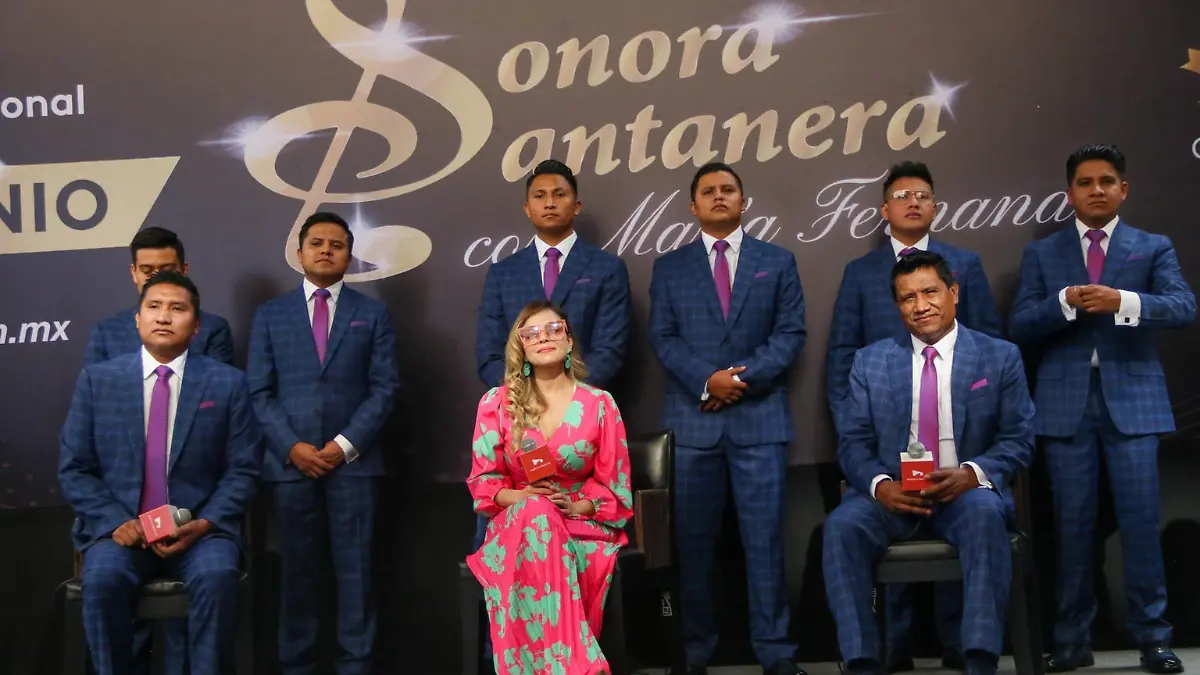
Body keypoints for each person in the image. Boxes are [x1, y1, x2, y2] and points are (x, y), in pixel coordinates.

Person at [1009, 144, 1194, 674]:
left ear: (1123, 190)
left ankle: (1154, 639)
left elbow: (1184, 307)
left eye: (1106, 181)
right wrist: (1063, 304)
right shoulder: (1042, 254)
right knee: (1071, 528)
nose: (1096, 190)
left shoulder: (1152, 246)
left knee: (1140, 524)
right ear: (1069, 193)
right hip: (1064, 405)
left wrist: (1125, 302)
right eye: (1085, 182)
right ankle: (1071, 640)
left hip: (1134, 403)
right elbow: (1019, 324)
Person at [823, 251, 1034, 675]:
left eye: (930, 292)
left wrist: (972, 474)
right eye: (908, 298)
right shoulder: (870, 361)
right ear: (897, 305)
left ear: (953, 292)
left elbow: (1019, 438)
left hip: (965, 494)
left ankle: (979, 660)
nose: (921, 306)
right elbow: (853, 443)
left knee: (985, 515)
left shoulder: (999, 356)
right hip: (894, 495)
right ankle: (862, 662)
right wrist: (880, 485)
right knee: (841, 528)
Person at [826, 161, 1001, 672]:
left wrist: (972, 469)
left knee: (974, 521)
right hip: (886, 445)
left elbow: (990, 348)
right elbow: (842, 355)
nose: (921, 305)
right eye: (902, 195)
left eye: (922, 194)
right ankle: (884, 651)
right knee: (856, 528)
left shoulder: (963, 264)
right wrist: (860, 443)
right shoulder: (860, 273)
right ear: (884, 209)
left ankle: (963, 647)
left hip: (958, 456)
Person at [58, 271, 262, 675]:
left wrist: (205, 523)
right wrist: (116, 522)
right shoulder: (98, 381)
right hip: (121, 533)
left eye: (177, 308)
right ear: (138, 319)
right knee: (103, 581)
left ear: (196, 325)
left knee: (217, 577)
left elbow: (244, 469)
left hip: (200, 531)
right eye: (153, 307)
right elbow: (75, 468)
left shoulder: (228, 384)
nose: (164, 316)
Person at [649, 162, 807, 675]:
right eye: (708, 191)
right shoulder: (669, 268)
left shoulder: (777, 261)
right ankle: (693, 653)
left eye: (728, 189)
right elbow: (663, 338)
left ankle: (776, 655)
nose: (719, 196)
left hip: (760, 423)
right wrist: (706, 380)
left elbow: (789, 335)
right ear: (693, 206)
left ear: (743, 201)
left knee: (766, 545)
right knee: (691, 548)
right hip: (692, 426)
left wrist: (736, 381)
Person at [247, 212, 399, 675]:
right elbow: (258, 392)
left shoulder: (372, 314)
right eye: (317, 243)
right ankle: (297, 666)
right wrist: (291, 447)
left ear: (349, 256)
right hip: (290, 467)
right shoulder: (270, 315)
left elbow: (384, 388)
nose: (326, 250)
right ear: (299, 253)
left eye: (337, 244)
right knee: (295, 576)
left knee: (357, 576)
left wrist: (344, 445)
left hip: (354, 467)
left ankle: (357, 665)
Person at [466, 300, 634, 675]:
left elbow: (616, 490)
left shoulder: (600, 404)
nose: (544, 337)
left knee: (546, 519)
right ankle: (576, 665)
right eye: (531, 333)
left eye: (554, 329)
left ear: (569, 341)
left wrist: (575, 507)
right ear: (521, 347)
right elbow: (484, 482)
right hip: (517, 524)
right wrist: (523, 497)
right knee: (536, 511)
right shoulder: (497, 403)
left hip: (579, 524)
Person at [475, 159, 631, 390]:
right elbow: (490, 353)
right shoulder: (503, 273)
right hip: (520, 403)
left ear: (576, 206)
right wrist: (525, 395)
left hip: (583, 402)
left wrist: (567, 395)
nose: (549, 203)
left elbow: (610, 349)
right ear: (527, 209)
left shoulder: (607, 268)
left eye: (559, 195)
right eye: (539, 196)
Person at [84, 226, 235, 366]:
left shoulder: (212, 329)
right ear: (134, 273)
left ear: (184, 271)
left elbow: (219, 382)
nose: (157, 278)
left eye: (166, 270)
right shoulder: (107, 332)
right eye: (147, 271)